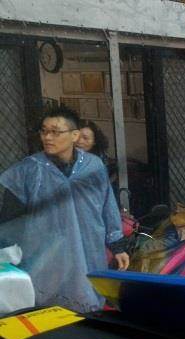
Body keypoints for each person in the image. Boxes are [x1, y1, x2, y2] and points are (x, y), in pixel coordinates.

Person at [0, 106, 128, 312]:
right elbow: (9, 219)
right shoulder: (28, 170)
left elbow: (107, 206)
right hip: (46, 255)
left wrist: (117, 245)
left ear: (74, 135)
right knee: (50, 309)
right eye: (44, 131)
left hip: (89, 250)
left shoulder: (93, 166)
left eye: (55, 132)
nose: (47, 137)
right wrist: (9, 256)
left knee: (89, 304)